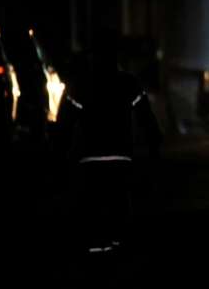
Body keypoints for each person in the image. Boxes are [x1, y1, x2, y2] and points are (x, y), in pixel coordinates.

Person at [57, 28, 161, 266]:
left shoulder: (81, 85)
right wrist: (154, 146)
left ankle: (96, 259)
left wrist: (59, 153)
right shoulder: (128, 84)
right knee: (119, 207)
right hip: (121, 158)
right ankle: (118, 256)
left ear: (92, 55)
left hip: (90, 160)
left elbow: (65, 123)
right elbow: (146, 119)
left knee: (93, 209)